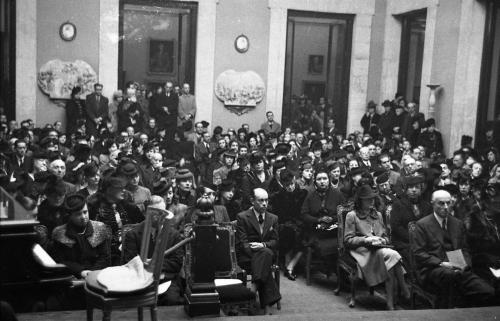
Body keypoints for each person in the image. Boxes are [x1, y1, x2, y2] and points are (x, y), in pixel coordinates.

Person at [413, 190, 495, 307]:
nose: (446, 207)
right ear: (432, 204)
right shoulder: (422, 225)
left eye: (448, 203)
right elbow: (419, 253)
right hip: (433, 270)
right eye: (441, 203)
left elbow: (465, 249)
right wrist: (442, 263)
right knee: (450, 278)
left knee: (488, 291)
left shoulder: (457, 223)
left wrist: (465, 264)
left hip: (459, 269)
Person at [344, 185, 410, 310]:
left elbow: (386, 236)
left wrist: (381, 239)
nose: (371, 202)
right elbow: (348, 240)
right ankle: (403, 289)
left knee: (390, 261)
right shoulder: (351, 215)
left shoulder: (378, 215)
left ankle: (390, 302)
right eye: (368, 199)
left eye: (373, 199)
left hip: (379, 248)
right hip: (362, 251)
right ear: (360, 201)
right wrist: (366, 240)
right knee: (393, 255)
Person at [123, 196, 184, 305]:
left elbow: (177, 263)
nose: (162, 217)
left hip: (166, 281)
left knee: (172, 301)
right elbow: (129, 261)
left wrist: (153, 263)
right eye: (157, 213)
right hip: (140, 281)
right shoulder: (132, 234)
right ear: (147, 213)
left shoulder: (174, 235)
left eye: (164, 212)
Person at [236, 188, 281, 314]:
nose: (265, 204)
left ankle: (252, 290)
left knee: (265, 253)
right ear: (252, 201)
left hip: (266, 254)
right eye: (261, 200)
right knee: (264, 257)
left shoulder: (273, 218)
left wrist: (262, 245)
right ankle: (266, 307)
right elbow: (243, 243)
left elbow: (275, 242)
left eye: (266, 200)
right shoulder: (242, 217)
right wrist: (258, 253)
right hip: (247, 257)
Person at [51, 193, 111, 279]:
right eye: (78, 214)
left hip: (98, 275)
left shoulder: (99, 228)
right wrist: (81, 271)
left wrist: (91, 274)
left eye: (85, 212)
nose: (83, 217)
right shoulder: (59, 233)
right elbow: (60, 260)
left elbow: (105, 257)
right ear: (70, 215)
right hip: (71, 276)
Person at [301, 165, 345, 274]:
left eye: (324, 179)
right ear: (315, 181)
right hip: (316, 231)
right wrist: (318, 219)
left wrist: (332, 218)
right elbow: (304, 214)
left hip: (334, 230)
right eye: (319, 179)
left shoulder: (337, 194)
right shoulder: (310, 196)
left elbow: (343, 212)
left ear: (329, 180)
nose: (322, 182)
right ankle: (328, 267)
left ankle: (338, 271)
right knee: (320, 244)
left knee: (340, 243)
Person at [270, 169, 307, 280]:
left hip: (301, 223)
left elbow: (305, 212)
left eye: (291, 184)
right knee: (289, 233)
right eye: (287, 185)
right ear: (282, 184)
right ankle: (288, 266)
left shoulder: (303, 194)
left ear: (295, 180)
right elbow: (276, 215)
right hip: (285, 225)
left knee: (303, 237)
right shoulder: (277, 197)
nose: (290, 187)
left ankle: (289, 266)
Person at [390, 175, 432, 262]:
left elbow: (429, 225)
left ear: (421, 190)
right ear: (406, 190)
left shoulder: (426, 206)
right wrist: (413, 239)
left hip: (423, 241)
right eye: (411, 187)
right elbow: (396, 227)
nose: (414, 190)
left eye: (417, 187)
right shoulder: (398, 205)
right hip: (404, 242)